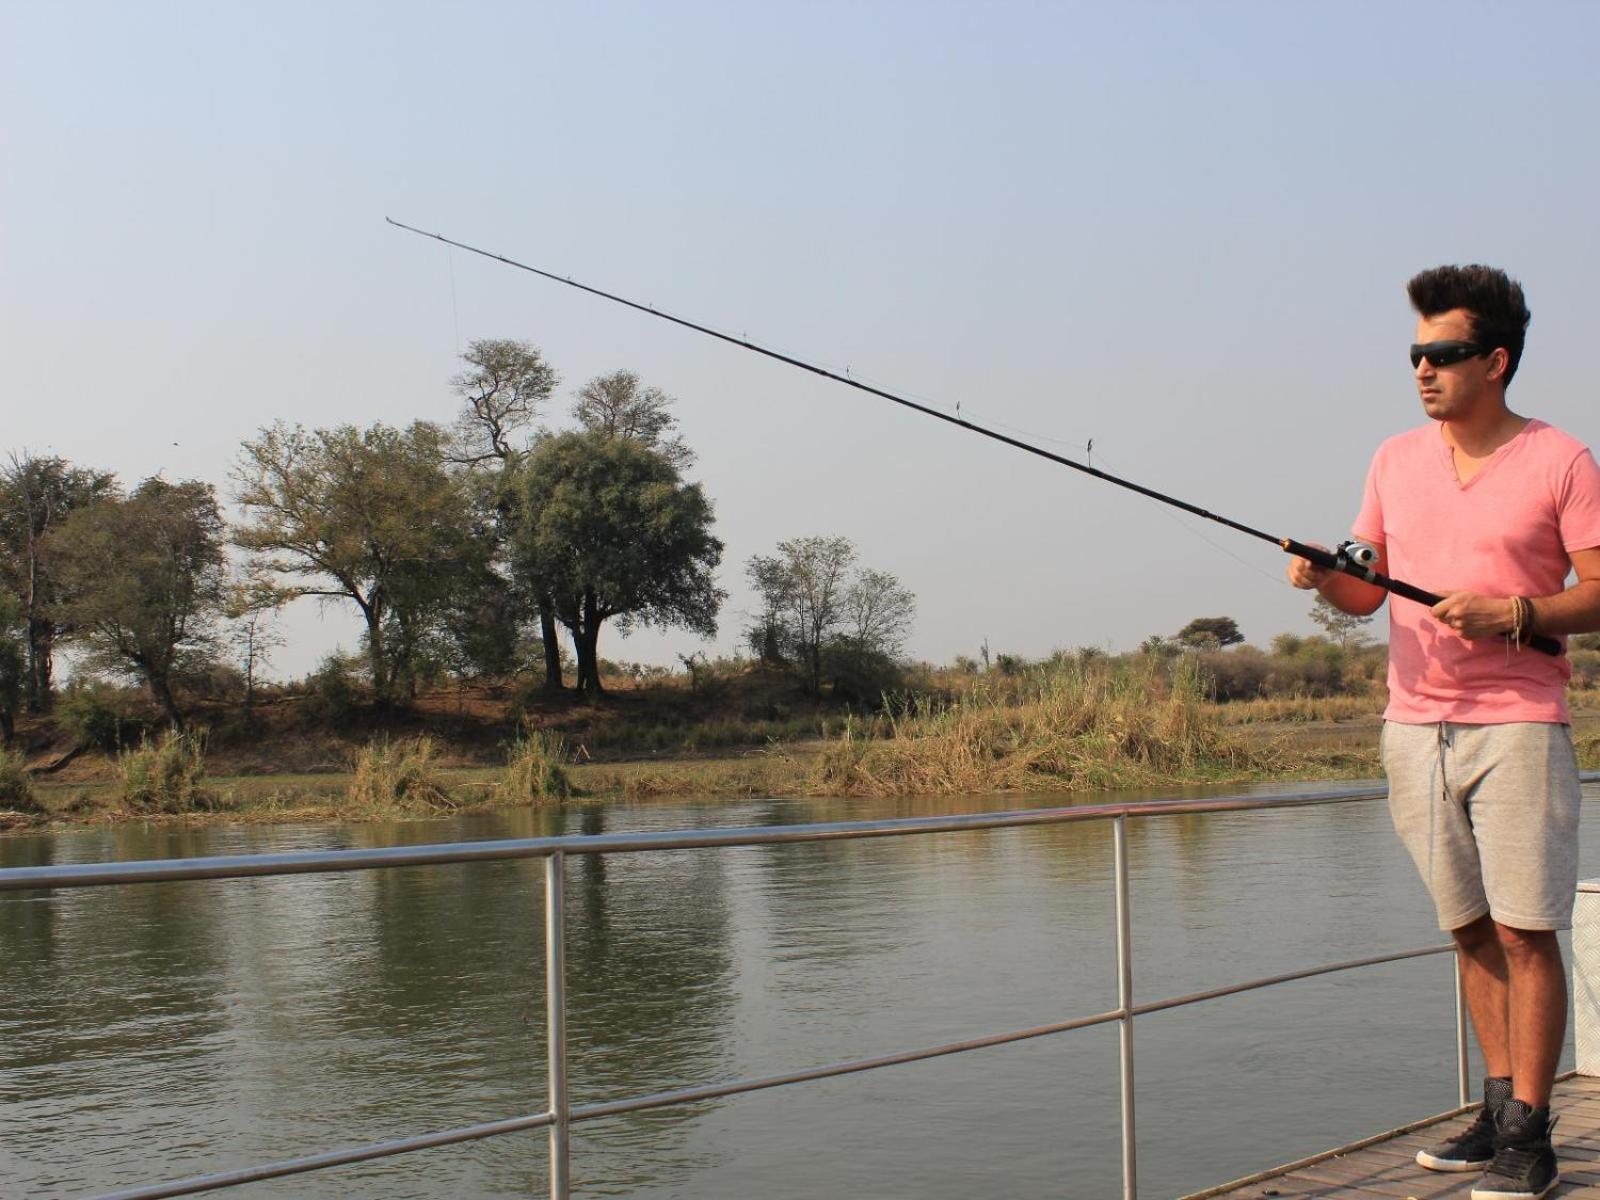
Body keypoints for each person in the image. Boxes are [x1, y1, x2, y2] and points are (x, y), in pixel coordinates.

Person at [1289, 264, 1600, 1200]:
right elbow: (1363, 588)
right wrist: (1322, 579)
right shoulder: (1393, 459)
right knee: (1466, 928)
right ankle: (1499, 1108)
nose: (1423, 370)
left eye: (1444, 354)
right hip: (1411, 726)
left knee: (1526, 928)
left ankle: (1533, 1135)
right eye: (1415, 355)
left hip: (1517, 724)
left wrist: (1514, 613)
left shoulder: (1561, 459)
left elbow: (1597, 589)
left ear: (1495, 361)